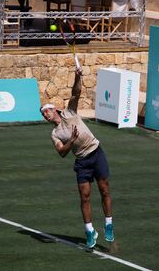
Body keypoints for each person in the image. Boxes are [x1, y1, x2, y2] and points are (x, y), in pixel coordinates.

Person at [40, 67, 114, 249]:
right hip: (82, 162)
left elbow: (76, 91)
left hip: (96, 153)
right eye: (43, 114)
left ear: (54, 109)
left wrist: (77, 75)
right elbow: (62, 153)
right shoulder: (55, 134)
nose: (44, 115)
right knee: (85, 197)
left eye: (46, 111)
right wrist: (71, 141)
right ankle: (89, 231)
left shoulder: (70, 112)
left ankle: (108, 225)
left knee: (104, 190)